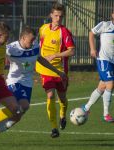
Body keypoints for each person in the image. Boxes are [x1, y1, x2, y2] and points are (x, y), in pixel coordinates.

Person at [0, 26, 66, 144]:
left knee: (19, 114)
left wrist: (58, 72)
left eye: (33, 40)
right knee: (20, 106)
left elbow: (40, 59)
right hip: (14, 81)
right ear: (22, 38)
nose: (32, 43)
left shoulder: (35, 45)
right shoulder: (10, 49)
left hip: (27, 83)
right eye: (30, 40)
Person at [35, 2, 75, 138]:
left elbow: (72, 51)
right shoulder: (43, 29)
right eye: (56, 15)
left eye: (61, 16)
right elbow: (38, 45)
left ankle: (63, 115)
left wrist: (56, 55)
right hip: (45, 69)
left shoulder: (64, 32)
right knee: (50, 95)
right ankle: (54, 128)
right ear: (51, 15)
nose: (58, 19)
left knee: (62, 98)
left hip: (60, 71)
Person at [82, 11, 114, 122]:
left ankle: (86, 107)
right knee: (110, 84)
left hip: (112, 62)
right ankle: (106, 114)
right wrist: (92, 48)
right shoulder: (105, 25)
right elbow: (91, 33)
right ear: (112, 15)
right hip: (103, 60)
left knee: (102, 87)